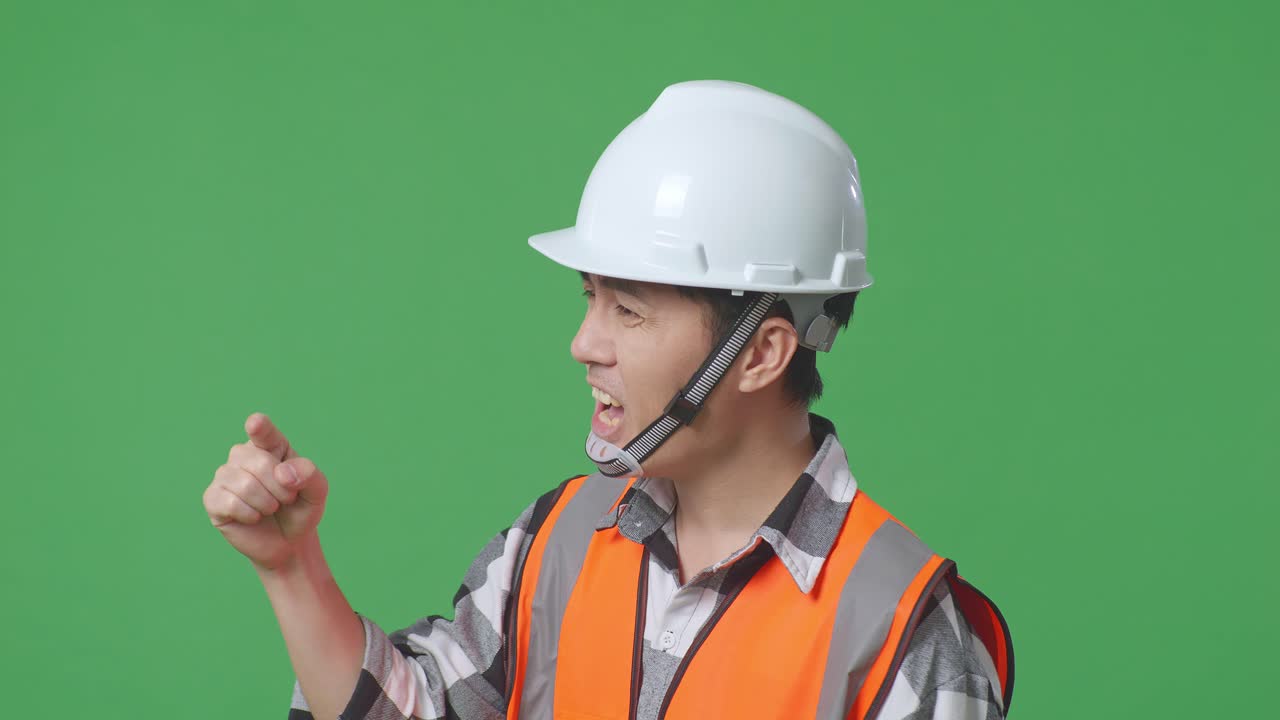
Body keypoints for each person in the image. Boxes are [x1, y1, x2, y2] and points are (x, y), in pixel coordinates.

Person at [203, 80, 1014, 720]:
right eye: (589, 298)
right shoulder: (554, 542)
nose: (585, 343)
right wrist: (291, 568)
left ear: (762, 352)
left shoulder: (906, 636)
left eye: (628, 308)